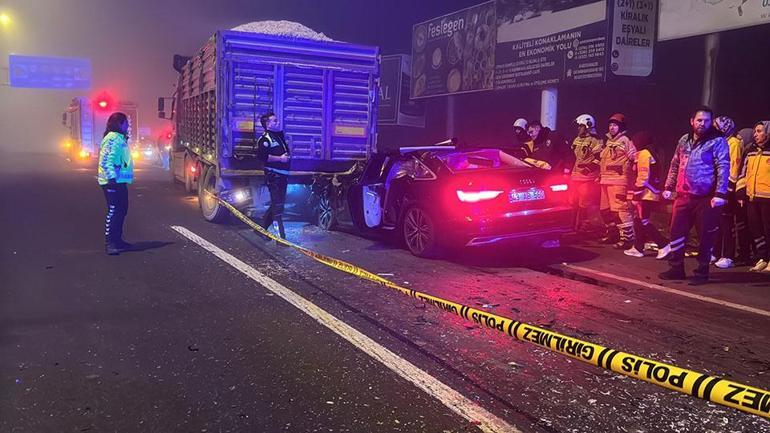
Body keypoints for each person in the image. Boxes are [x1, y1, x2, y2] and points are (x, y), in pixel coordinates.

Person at [659, 106, 729, 284]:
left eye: (706, 120)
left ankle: (702, 272)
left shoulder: (717, 140)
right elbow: (675, 163)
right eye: (699, 120)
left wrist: (720, 193)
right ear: (692, 121)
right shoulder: (684, 140)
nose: (702, 123)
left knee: (705, 235)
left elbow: (723, 166)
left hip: (705, 197)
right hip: (683, 196)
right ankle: (676, 268)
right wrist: (669, 185)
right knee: (676, 232)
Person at [623, 131, 669, 258]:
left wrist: (636, 195)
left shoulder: (644, 154)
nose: (631, 146)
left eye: (632, 144)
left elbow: (643, 176)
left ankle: (664, 245)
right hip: (647, 193)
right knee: (638, 221)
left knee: (644, 221)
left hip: (645, 194)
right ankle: (638, 248)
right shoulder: (647, 153)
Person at [97, 112, 134, 255]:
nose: (128, 125)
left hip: (119, 181)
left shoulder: (120, 138)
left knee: (121, 211)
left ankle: (118, 241)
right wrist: (111, 179)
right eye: (126, 123)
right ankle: (110, 243)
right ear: (120, 123)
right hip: (111, 182)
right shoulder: (112, 138)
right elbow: (106, 161)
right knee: (114, 211)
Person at [736, 120, 770, 272]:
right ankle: (763, 258)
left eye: (759, 131)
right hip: (752, 197)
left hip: (768, 198)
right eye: (755, 131)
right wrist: (741, 192)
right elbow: (743, 173)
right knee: (755, 229)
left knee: (768, 229)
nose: (755, 134)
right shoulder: (751, 151)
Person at [599, 113, 637, 249]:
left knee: (621, 209)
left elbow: (634, 158)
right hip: (605, 180)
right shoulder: (609, 142)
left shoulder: (626, 140)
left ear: (620, 127)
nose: (611, 128)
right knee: (605, 210)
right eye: (610, 125)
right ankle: (613, 233)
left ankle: (628, 239)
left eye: (615, 125)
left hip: (618, 181)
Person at [712, 116, 744, 268]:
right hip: (717, 188)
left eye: (716, 126)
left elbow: (734, 168)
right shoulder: (720, 142)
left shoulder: (734, 143)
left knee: (726, 223)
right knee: (717, 222)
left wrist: (728, 189)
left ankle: (728, 255)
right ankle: (716, 252)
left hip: (727, 189)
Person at [256, 111, 290, 240]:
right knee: (278, 208)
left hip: (283, 176)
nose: (278, 122)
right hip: (274, 176)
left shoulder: (278, 136)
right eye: (275, 121)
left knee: (277, 204)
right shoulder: (265, 139)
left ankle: (261, 230)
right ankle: (281, 238)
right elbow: (262, 157)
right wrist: (280, 159)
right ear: (268, 124)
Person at [569, 114, 603, 233]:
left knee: (584, 204)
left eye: (581, 126)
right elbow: (571, 157)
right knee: (572, 202)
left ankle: (583, 227)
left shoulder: (595, 141)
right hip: (575, 176)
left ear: (587, 126)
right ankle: (572, 227)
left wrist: (588, 169)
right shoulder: (576, 139)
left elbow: (599, 159)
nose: (578, 128)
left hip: (587, 178)